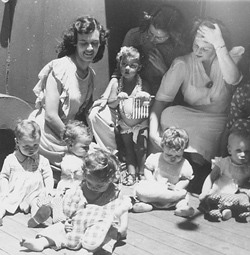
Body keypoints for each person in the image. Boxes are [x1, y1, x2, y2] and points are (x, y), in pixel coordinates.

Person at [149, 17, 244, 193]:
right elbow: (161, 101)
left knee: (224, 129)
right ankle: (194, 168)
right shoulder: (183, 63)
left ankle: (199, 170)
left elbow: (233, 79)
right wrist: (153, 134)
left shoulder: (229, 57)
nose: (198, 51)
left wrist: (219, 45)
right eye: (196, 46)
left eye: (206, 48)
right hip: (191, 120)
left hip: (220, 122)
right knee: (169, 114)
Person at [88, 4, 189, 152]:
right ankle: (112, 156)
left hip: (157, 102)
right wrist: (105, 96)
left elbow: (180, 90)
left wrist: (164, 70)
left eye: (159, 37)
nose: (153, 39)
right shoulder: (134, 35)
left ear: (172, 35)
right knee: (95, 115)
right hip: (127, 97)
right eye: (150, 33)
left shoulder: (179, 48)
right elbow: (118, 72)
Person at [29, 15, 109, 165]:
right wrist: (74, 142)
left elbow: (82, 115)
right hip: (47, 136)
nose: (90, 48)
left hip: (69, 136)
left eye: (94, 43)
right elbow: (51, 116)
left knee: (102, 159)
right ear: (75, 44)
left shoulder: (91, 75)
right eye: (83, 43)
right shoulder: (60, 68)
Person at [20, 148, 132, 254]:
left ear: (111, 179)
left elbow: (123, 209)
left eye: (100, 185)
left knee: (107, 235)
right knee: (59, 229)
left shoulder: (114, 193)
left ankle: (87, 251)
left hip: (99, 226)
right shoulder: (81, 188)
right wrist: (67, 220)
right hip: (78, 223)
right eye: (90, 183)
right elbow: (70, 205)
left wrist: (123, 227)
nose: (94, 187)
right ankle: (42, 242)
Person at [27, 120, 95, 227]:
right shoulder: (70, 159)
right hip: (68, 191)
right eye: (84, 147)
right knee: (59, 203)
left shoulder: (84, 155)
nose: (87, 149)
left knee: (58, 202)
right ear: (70, 144)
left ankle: (47, 208)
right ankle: (56, 218)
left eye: (88, 146)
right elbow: (79, 174)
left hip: (77, 192)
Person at [107, 46, 151, 185]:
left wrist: (146, 97)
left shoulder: (143, 84)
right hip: (125, 123)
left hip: (140, 123)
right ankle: (131, 174)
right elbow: (111, 103)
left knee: (141, 148)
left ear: (139, 67)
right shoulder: (117, 84)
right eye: (124, 64)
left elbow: (150, 103)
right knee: (129, 149)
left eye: (132, 66)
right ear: (119, 64)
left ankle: (142, 173)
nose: (127, 68)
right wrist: (118, 99)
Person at [0, 119, 54, 226]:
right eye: (26, 146)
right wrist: (4, 192)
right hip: (14, 193)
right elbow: (4, 176)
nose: (31, 150)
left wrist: (49, 189)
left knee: (37, 203)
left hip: (34, 193)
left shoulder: (42, 160)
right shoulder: (11, 159)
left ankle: (37, 218)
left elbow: (48, 176)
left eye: (35, 145)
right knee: (2, 204)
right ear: (17, 142)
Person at [132, 127, 195, 218]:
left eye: (178, 156)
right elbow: (148, 169)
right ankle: (146, 206)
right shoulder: (155, 158)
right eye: (169, 155)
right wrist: (151, 181)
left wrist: (177, 187)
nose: (173, 158)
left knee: (183, 196)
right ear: (163, 147)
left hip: (170, 193)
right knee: (142, 190)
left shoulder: (184, 164)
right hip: (154, 189)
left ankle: (182, 208)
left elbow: (185, 179)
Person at [199, 131, 250, 220]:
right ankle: (218, 210)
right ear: (229, 150)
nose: (243, 155)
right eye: (238, 151)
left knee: (245, 197)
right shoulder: (223, 163)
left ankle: (229, 210)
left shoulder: (248, 167)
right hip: (219, 193)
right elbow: (211, 178)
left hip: (235, 197)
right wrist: (205, 191)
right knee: (210, 200)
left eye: (247, 152)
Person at [220, 44, 250, 157]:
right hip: (245, 151)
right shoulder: (244, 91)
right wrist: (221, 161)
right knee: (240, 124)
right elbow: (229, 127)